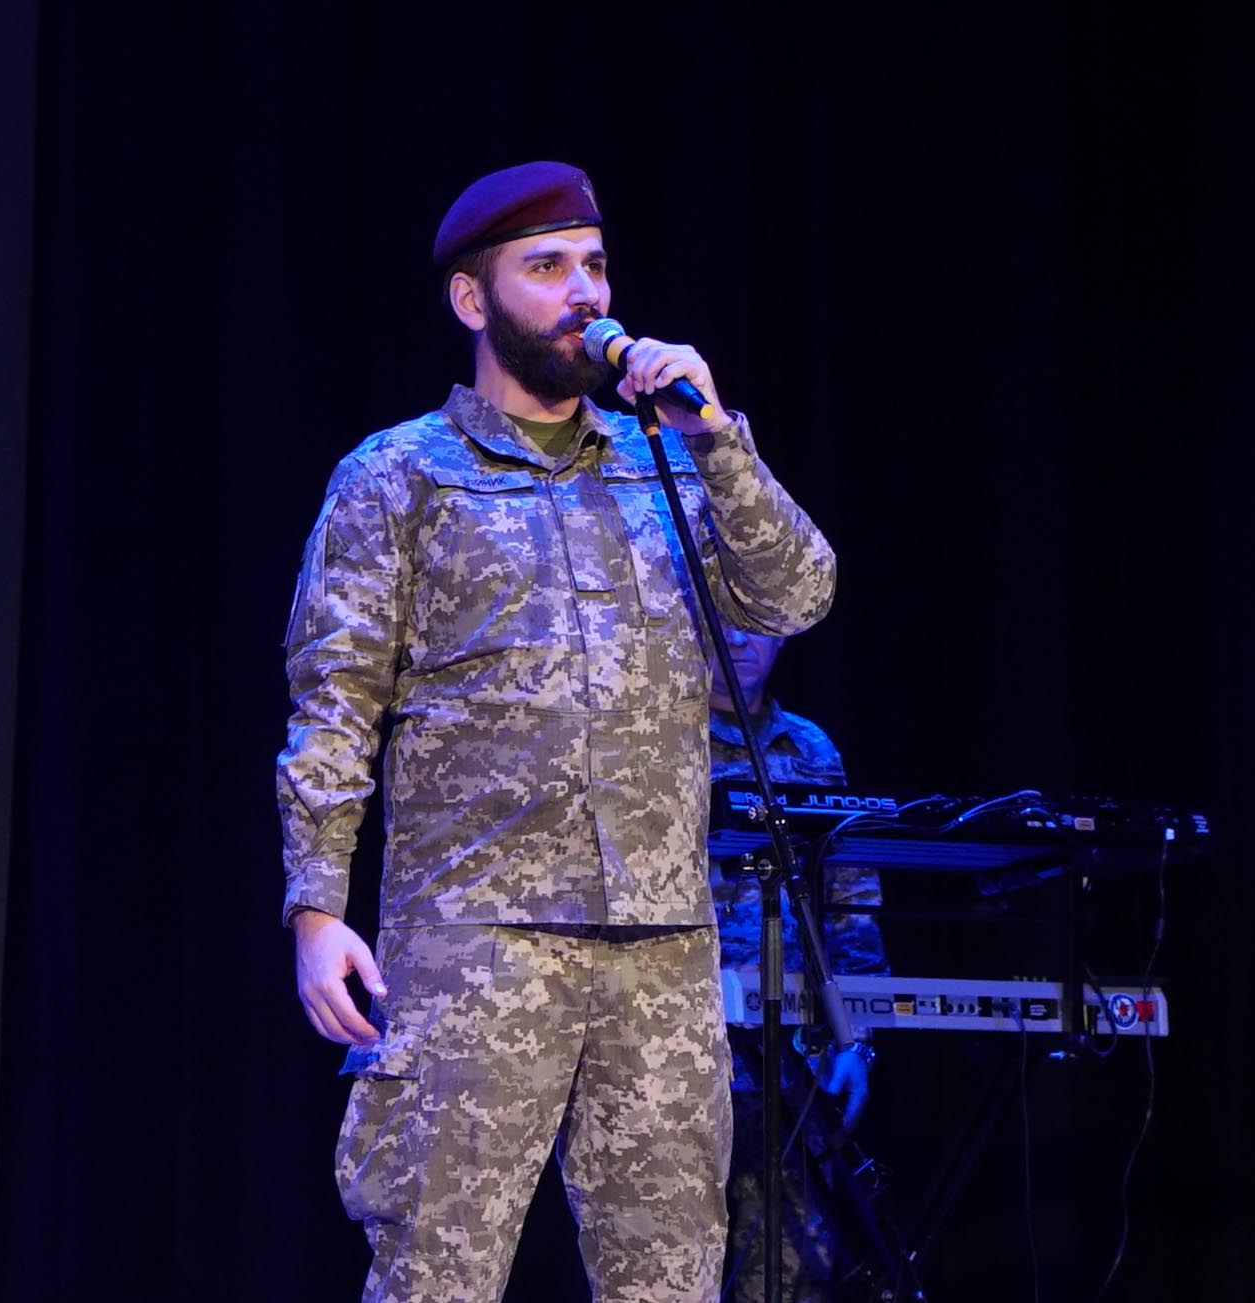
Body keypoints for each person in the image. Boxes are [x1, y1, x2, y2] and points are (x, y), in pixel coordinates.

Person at [276, 161, 837, 1303]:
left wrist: (717, 438)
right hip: (477, 942)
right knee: (437, 1276)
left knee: (670, 1279)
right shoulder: (396, 477)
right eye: (547, 267)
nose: (584, 292)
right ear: (472, 298)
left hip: (661, 942)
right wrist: (317, 908)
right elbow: (334, 703)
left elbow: (797, 594)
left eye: (594, 265)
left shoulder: (665, 463)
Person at [707, 628, 887, 1302]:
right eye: (723, 619)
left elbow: (851, 901)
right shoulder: (660, 732)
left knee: (791, 1265)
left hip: (793, 1061)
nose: (738, 639)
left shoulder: (810, 748)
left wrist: (855, 1039)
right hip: (680, 1046)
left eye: (755, 623)